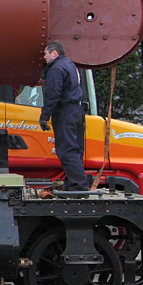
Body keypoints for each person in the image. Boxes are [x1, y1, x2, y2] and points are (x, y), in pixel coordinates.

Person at [38, 40, 87, 191]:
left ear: (54, 53)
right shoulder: (70, 65)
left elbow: (53, 94)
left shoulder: (56, 68)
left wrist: (45, 116)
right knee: (76, 149)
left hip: (65, 112)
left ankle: (78, 186)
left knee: (66, 150)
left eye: (45, 54)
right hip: (77, 111)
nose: (44, 57)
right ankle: (74, 183)